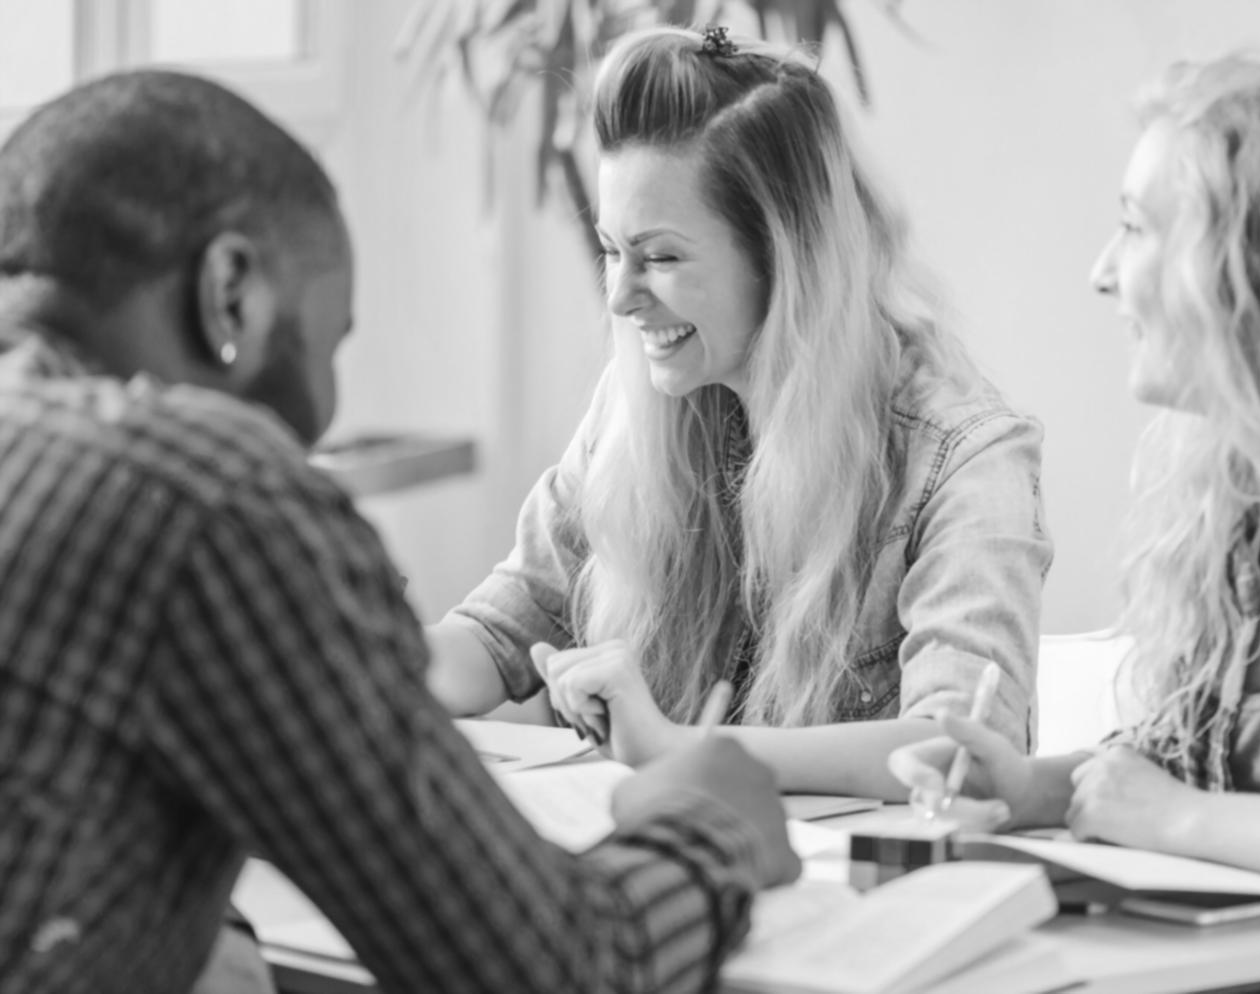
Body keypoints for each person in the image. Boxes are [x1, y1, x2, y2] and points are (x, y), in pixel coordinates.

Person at [0, 68, 799, 994]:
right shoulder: (203, 495)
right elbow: (550, 970)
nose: (324, 411)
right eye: (333, 339)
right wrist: (709, 824)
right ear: (230, 291)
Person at [891, 52, 1260, 992]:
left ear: (1255, 265)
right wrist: (1030, 788)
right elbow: (1186, 762)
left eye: (1133, 228)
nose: (1100, 273)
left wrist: (1174, 821)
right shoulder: (1234, 481)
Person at [426, 25, 1053, 800]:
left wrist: (683, 747)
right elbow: (495, 633)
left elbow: (966, 752)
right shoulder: (639, 409)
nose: (620, 297)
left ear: (784, 255)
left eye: (659, 257)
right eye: (610, 250)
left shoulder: (965, 455)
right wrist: (347, 665)